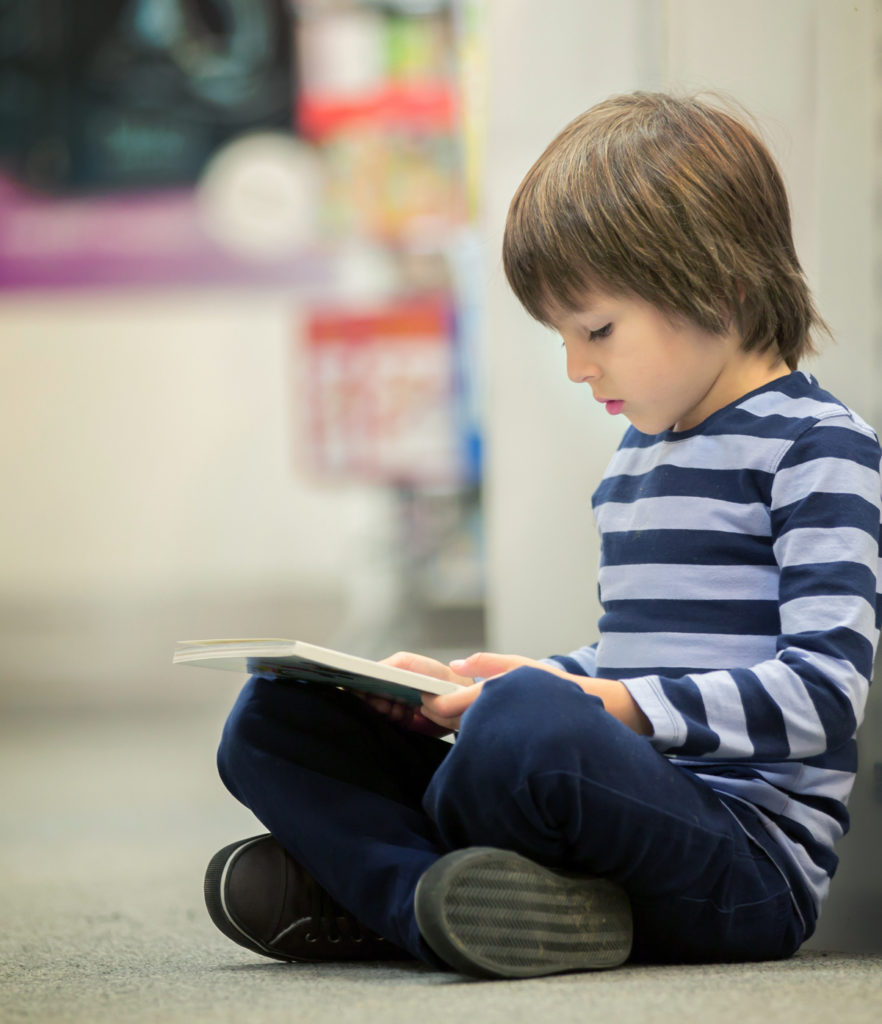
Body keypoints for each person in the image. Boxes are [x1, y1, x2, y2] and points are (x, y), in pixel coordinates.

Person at [203, 92, 881, 978]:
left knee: (528, 728)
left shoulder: (819, 446)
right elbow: (631, 660)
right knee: (272, 720)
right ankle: (448, 903)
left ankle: (383, 895)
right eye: (562, 336)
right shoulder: (638, 455)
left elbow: (825, 695)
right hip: (622, 810)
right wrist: (501, 679)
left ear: (725, 285)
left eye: (596, 329)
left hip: (742, 865)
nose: (576, 366)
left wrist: (580, 707)